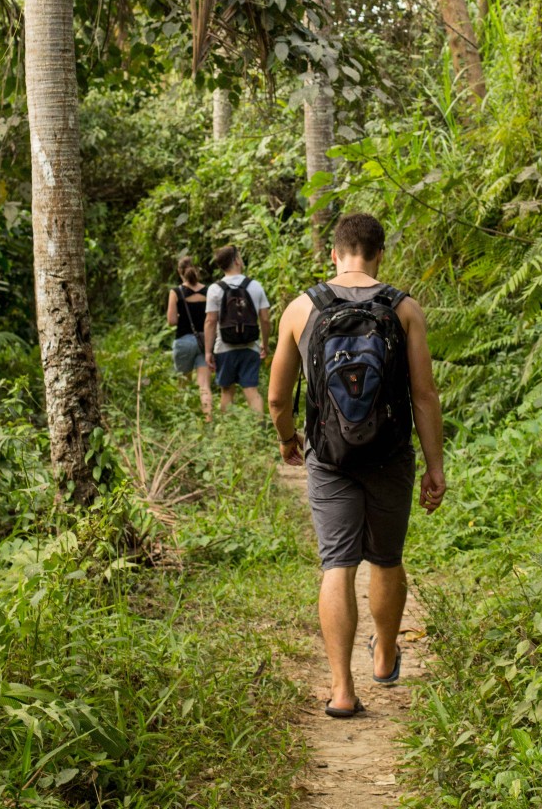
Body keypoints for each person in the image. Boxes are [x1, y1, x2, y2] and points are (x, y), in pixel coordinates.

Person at [266, 212, 446, 720]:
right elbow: (424, 394)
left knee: (337, 564)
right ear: (380, 253)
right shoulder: (403, 308)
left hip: (329, 456)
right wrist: (435, 466)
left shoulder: (301, 308)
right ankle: (385, 655)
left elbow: (278, 398)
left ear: (334, 253)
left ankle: (342, 690)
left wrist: (287, 441)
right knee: (386, 558)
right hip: (390, 453)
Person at [203, 244, 272, 415]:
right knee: (252, 391)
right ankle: (259, 432)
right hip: (250, 346)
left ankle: (227, 431)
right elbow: (265, 318)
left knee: (227, 391)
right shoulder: (255, 286)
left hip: (224, 347)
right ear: (236, 260)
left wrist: (208, 351)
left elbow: (210, 321)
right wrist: (264, 343)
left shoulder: (215, 289)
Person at [166, 255, 212, 420]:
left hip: (184, 341)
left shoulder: (176, 292)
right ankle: (208, 419)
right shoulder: (208, 291)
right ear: (197, 270)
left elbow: (171, 321)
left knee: (183, 383)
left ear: (180, 272)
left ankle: (182, 418)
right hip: (204, 342)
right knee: (204, 386)